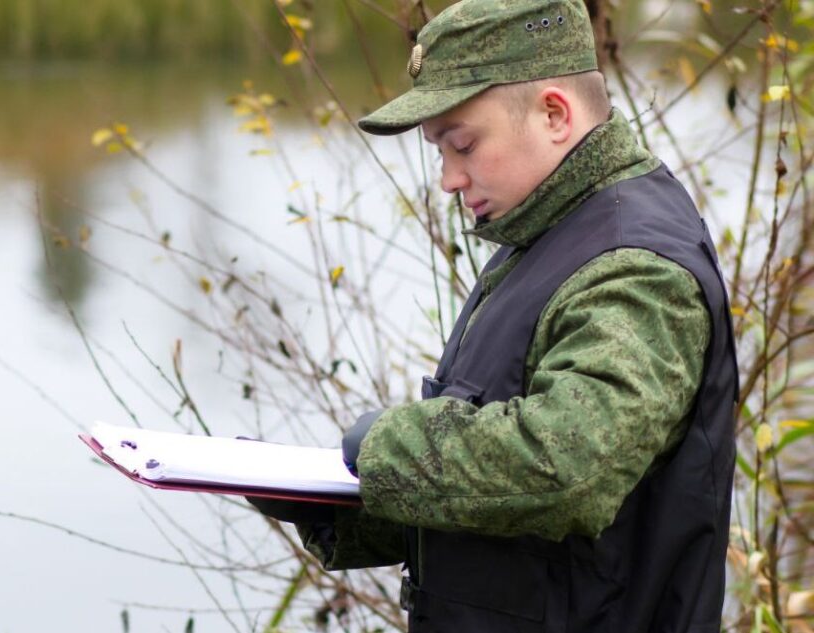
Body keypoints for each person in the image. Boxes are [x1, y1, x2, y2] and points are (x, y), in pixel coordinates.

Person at [249, 0, 739, 630]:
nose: (450, 178)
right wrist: (337, 503)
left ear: (555, 115)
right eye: (440, 152)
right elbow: (514, 512)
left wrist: (386, 449)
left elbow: (567, 470)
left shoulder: (634, 268)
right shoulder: (546, 228)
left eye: (463, 145)